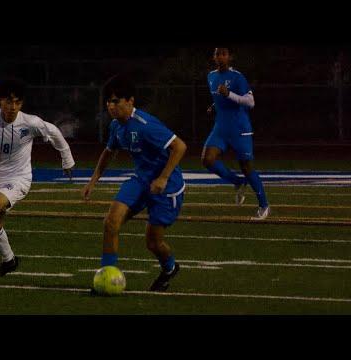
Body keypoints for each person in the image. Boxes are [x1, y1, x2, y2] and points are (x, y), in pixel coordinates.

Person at [0, 78, 75, 277]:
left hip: (19, 178)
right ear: (0, 101)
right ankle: (9, 261)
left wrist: (67, 160)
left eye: (17, 102)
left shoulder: (30, 122)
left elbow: (54, 132)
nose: (13, 107)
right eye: (8, 101)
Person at [82, 74, 187, 292]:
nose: (111, 106)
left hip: (166, 188)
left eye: (116, 101)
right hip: (140, 180)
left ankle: (170, 268)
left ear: (130, 101)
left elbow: (180, 147)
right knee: (111, 222)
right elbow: (108, 153)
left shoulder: (146, 125)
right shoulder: (116, 126)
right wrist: (93, 181)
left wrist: (163, 177)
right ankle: (106, 276)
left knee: (153, 243)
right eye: (109, 101)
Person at [202, 47, 270, 220]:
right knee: (207, 159)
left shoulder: (238, 77)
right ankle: (238, 182)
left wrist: (229, 94)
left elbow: (250, 102)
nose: (220, 57)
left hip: (240, 129)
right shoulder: (211, 76)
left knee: (247, 167)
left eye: (223, 53)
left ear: (230, 57)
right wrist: (213, 106)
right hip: (220, 127)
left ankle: (264, 205)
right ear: (214, 57)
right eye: (217, 53)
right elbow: (218, 98)